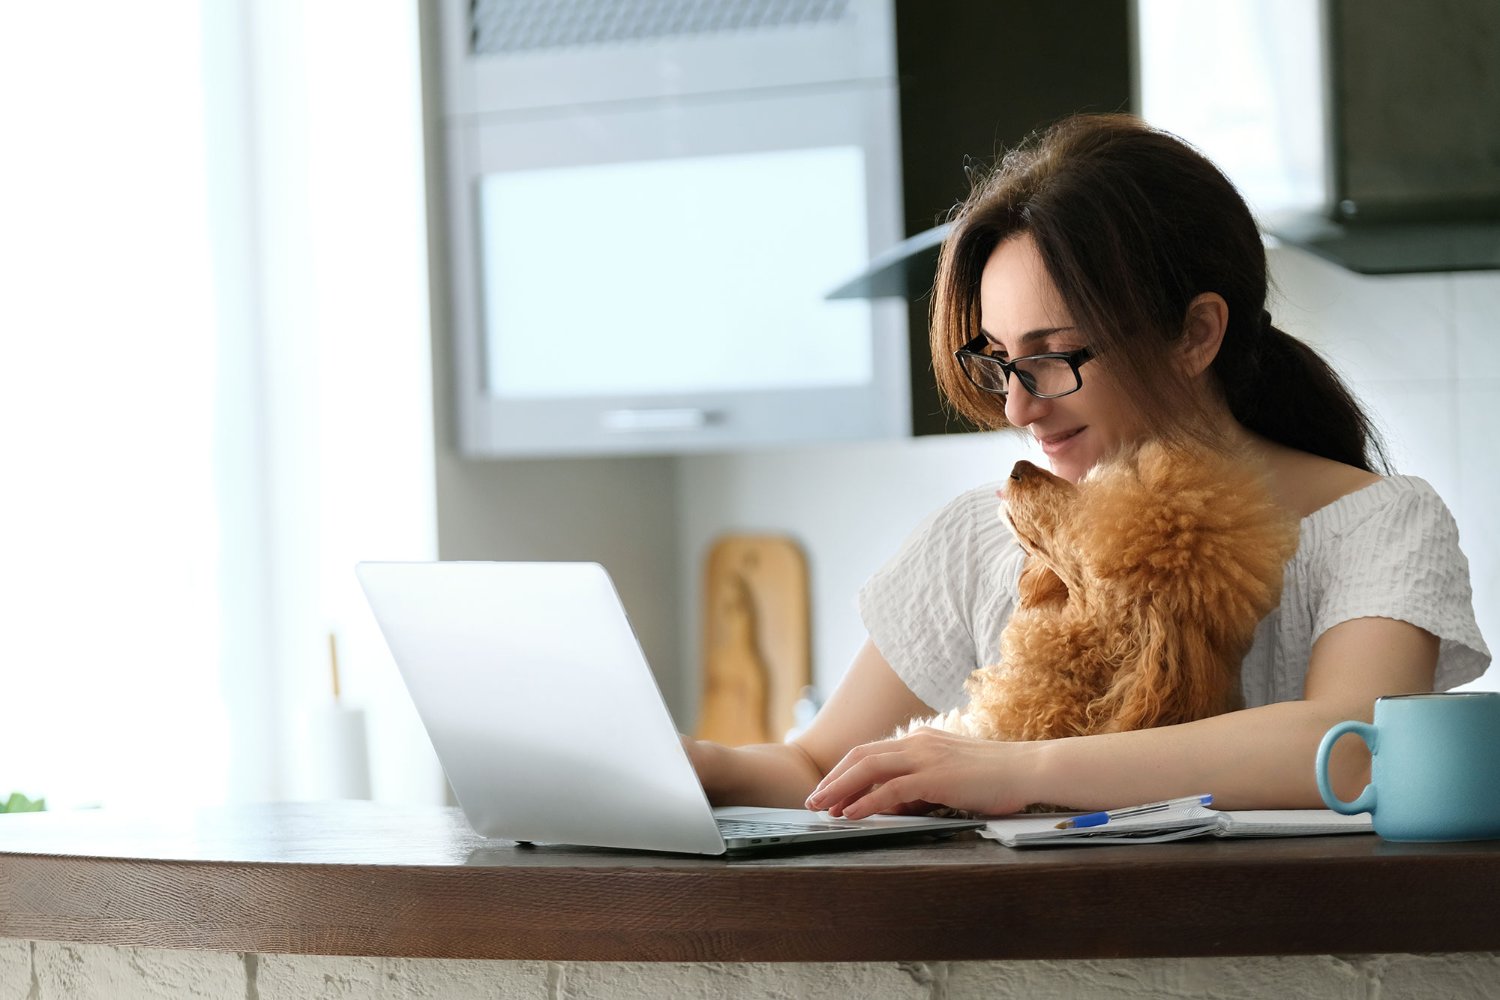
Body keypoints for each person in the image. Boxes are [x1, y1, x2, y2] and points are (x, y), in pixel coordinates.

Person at [684, 113, 1490, 820]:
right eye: (999, 361)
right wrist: (699, 766)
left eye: (1054, 357)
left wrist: (1024, 770)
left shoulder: (1377, 524)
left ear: (1195, 334)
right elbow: (817, 768)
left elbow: (1351, 747)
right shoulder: (982, 537)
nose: (1017, 409)